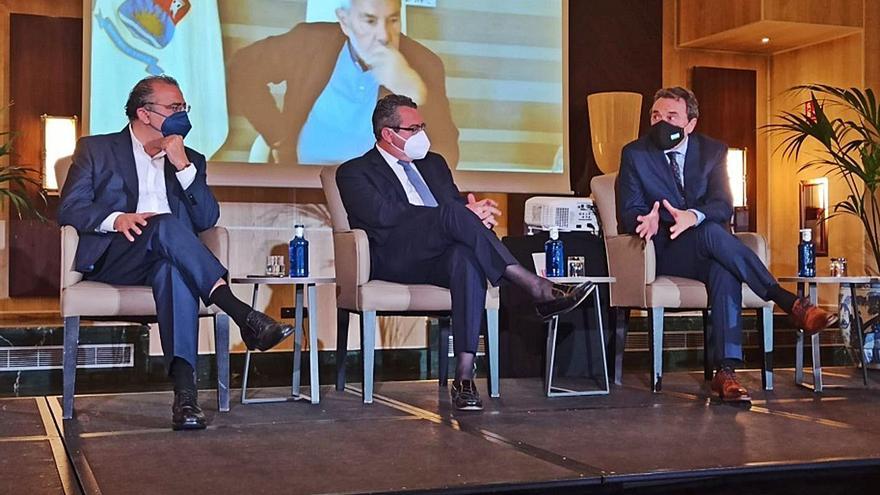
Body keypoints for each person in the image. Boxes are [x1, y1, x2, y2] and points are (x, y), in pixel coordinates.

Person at [58, 75, 296, 431]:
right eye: (173, 108)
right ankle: (241, 312)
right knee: (167, 225)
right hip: (117, 256)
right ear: (144, 113)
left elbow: (206, 219)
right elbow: (70, 209)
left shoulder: (191, 158)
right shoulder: (97, 149)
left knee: (173, 270)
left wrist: (183, 167)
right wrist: (117, 218)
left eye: (183, 107)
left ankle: (186, 398)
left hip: (167, 257)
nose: (181, 114)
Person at [336, 94, 591, 411]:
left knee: (467, 258)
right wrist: (459, 216)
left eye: (422, 126)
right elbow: (383, 215)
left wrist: (471, 214)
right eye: (413, 129)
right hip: (395, 255)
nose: (421, 135)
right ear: (389, 134)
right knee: (454, 216)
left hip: (439, 256)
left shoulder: (434, 163)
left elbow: (455, 212)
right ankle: (534, 285)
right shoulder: (354, 171)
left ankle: (465, 376)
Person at [616, 87, 838, 404]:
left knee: (723, 263)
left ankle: (726, 372)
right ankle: (788, 301)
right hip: (663, 250)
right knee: (714, 236)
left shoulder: (713, 151)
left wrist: (693, 216)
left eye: (671, 116)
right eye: (655, 115)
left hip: (706, 246)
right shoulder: (636, 153)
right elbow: (629, 209)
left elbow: (723, 206)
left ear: (690, 123)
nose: (660, 122)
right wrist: (645, 220)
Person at [225, 0, 458, 167]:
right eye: (370, 21)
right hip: (305, 182)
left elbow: (446, 153)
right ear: (345, 21)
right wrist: (277, 135)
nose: (384, 36)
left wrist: (415, 93)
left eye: (392, 20)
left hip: (380, 195)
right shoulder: (309, 42)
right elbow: (242, 67)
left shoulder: (423, 64)